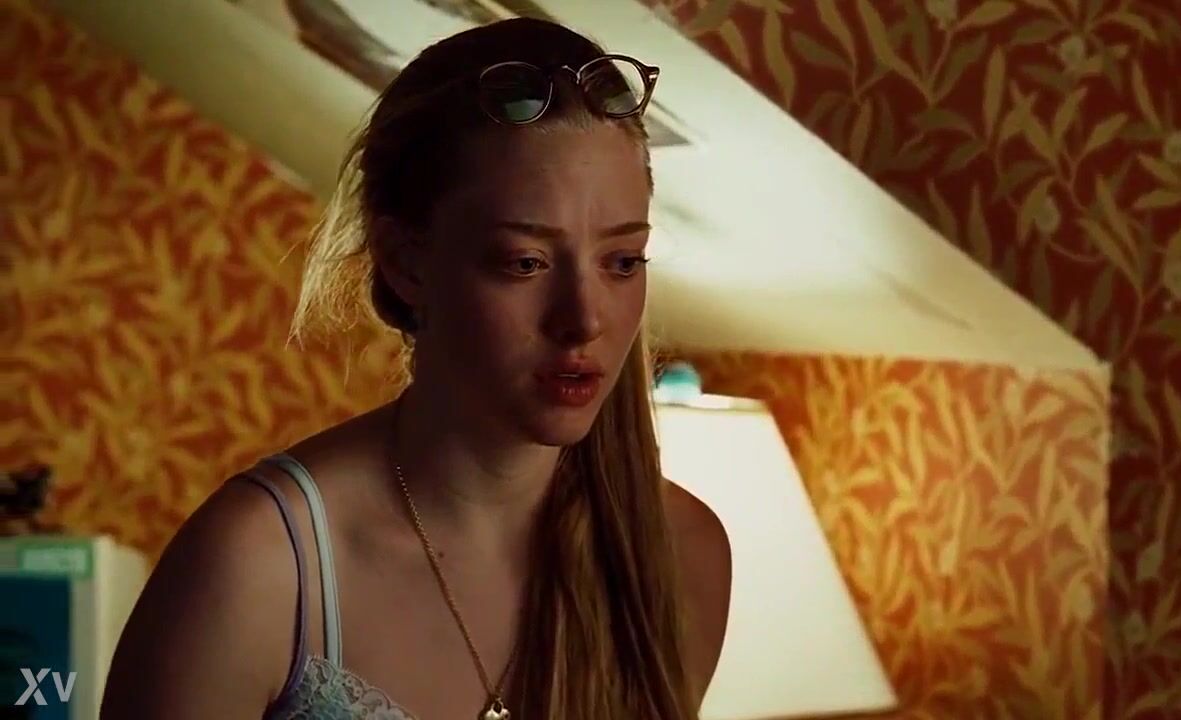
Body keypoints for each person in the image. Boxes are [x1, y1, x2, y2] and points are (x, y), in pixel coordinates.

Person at [100, 15, 731, 720]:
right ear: (406, 263)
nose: (584, 319)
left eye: (622, 261)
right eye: (525, 262)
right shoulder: (257, 565)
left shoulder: (679, 557)